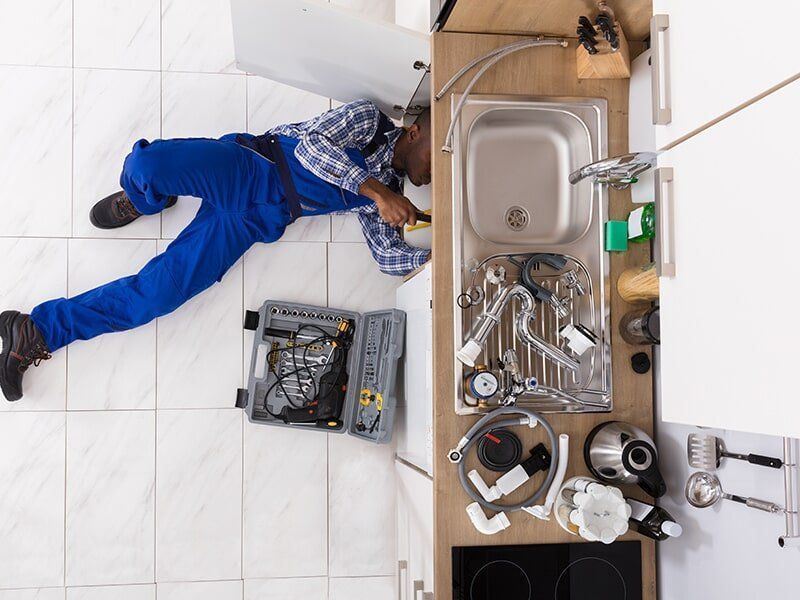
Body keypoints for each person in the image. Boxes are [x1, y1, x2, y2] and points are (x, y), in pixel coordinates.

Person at [0, 99, 431, 402]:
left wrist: (429, 257)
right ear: (413, 133)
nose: (429, 176)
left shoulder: (390, 192)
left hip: (253, 222)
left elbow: (385, 255)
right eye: (432, 160)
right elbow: (310, 149)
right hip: (250, 167)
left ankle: (37, 330)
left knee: (157, 296)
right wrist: (377, 194)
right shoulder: (368, 121)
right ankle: (147, 200)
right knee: (145, 167)